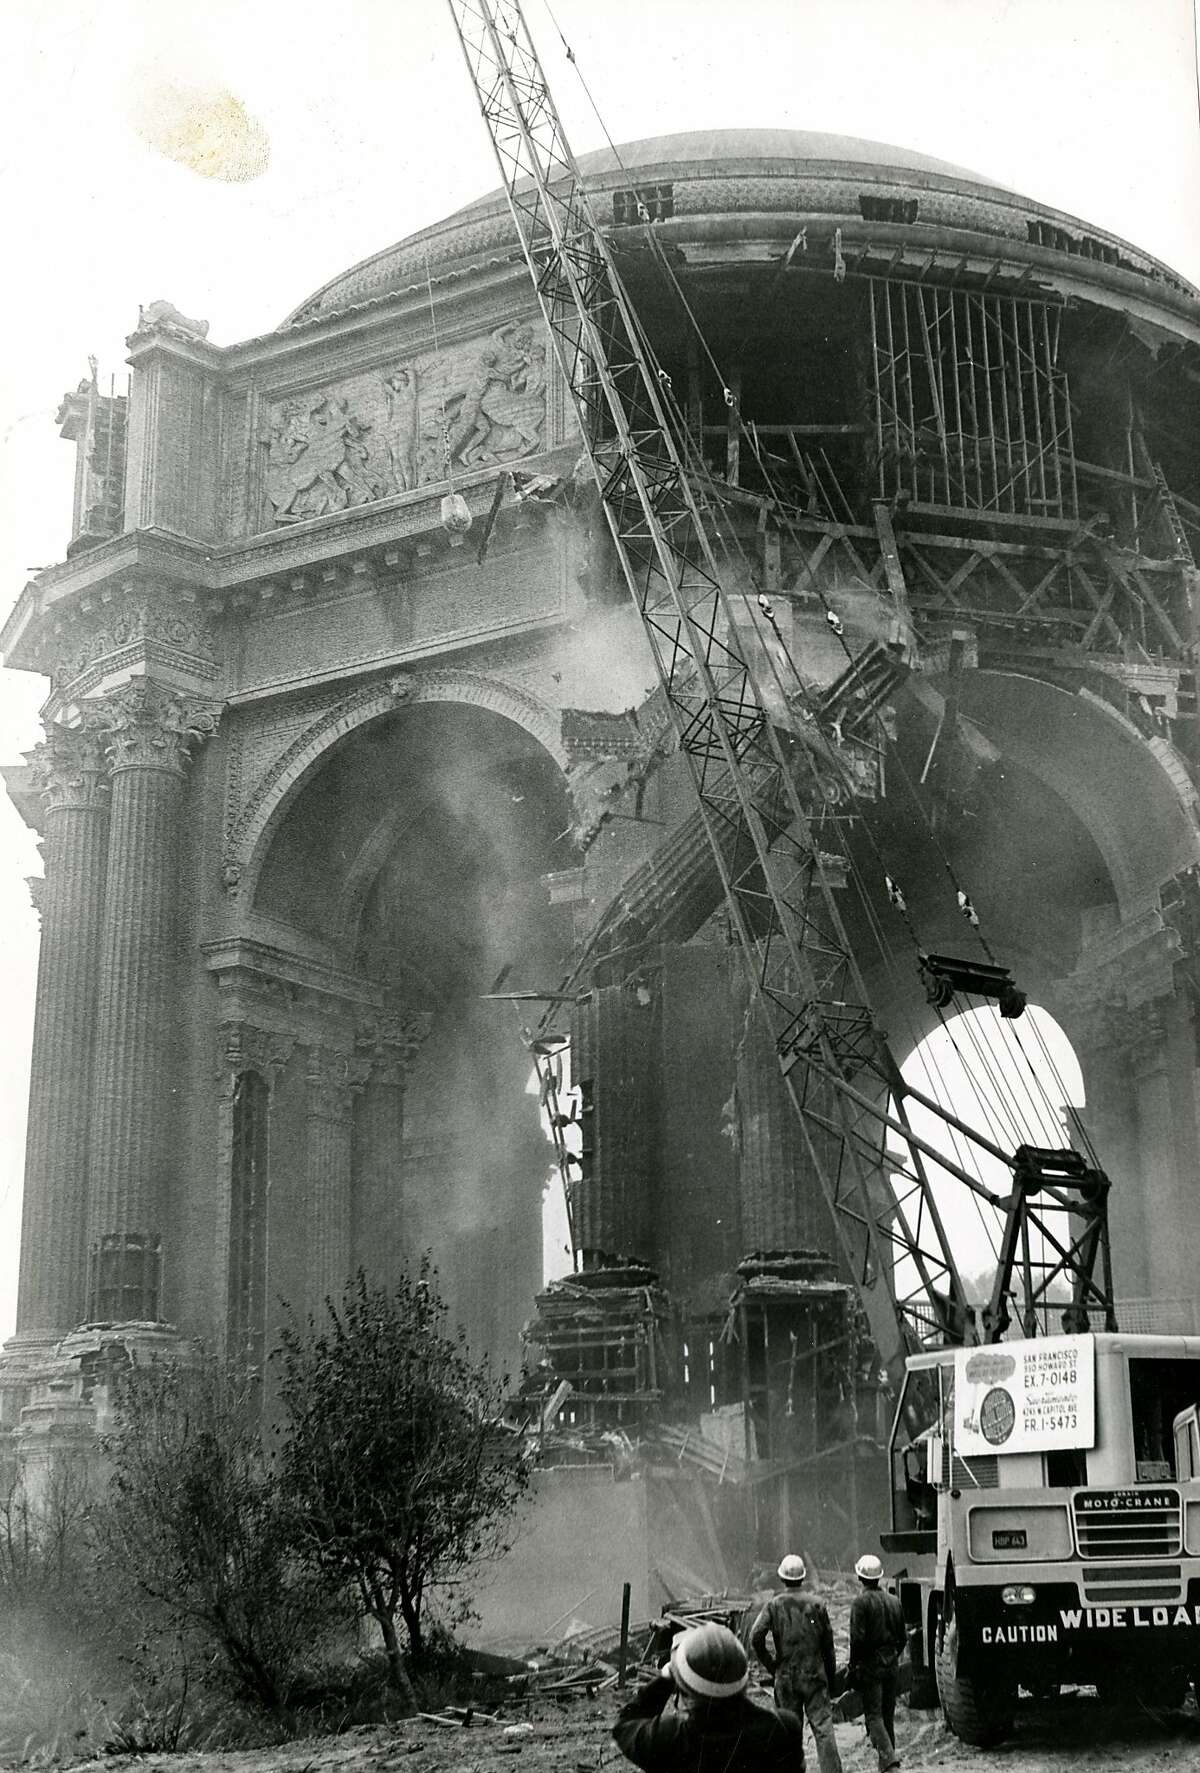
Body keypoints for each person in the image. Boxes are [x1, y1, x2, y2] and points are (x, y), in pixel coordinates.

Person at [613, 1621, 806, 1773]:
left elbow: (625, 1725)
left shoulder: (668, 1738)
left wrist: (666, 1677)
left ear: (684, 1687)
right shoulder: (783, 1729)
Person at [750, 1554, 843, 1773]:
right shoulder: (817, 1604)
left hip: (786, 1678)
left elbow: (756, 1636)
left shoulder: (773, 1605)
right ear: (803, 1578)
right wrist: (831, 1677)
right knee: (823, 1729)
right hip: (814, 1676)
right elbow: (828, 1646)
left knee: (787, 1732)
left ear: (782, 1578)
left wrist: (772, 1665)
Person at [848, 1553, 906, 1773]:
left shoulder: (860, 1603)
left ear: (860, 1577)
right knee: (887, 1714)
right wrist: (891, 1657)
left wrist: (854, 1668)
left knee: (873, 1715)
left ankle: (889, 1763)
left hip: (871, 1667)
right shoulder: (894, 1601)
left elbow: (857, 1640)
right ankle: (886, 1763)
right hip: (891, 1664)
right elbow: (903, 1638)